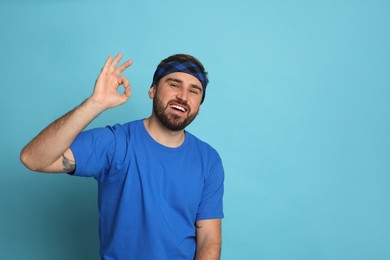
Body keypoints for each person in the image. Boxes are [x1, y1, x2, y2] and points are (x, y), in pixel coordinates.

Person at [20, 53, 224, 260]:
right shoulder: (115, 143)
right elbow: (32, 158)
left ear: (199, 107)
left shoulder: (208, 160)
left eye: (194, 90)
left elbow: (209, 238)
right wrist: (95, 103)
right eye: (174, 84)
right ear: (152, 90)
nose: (183, 96)